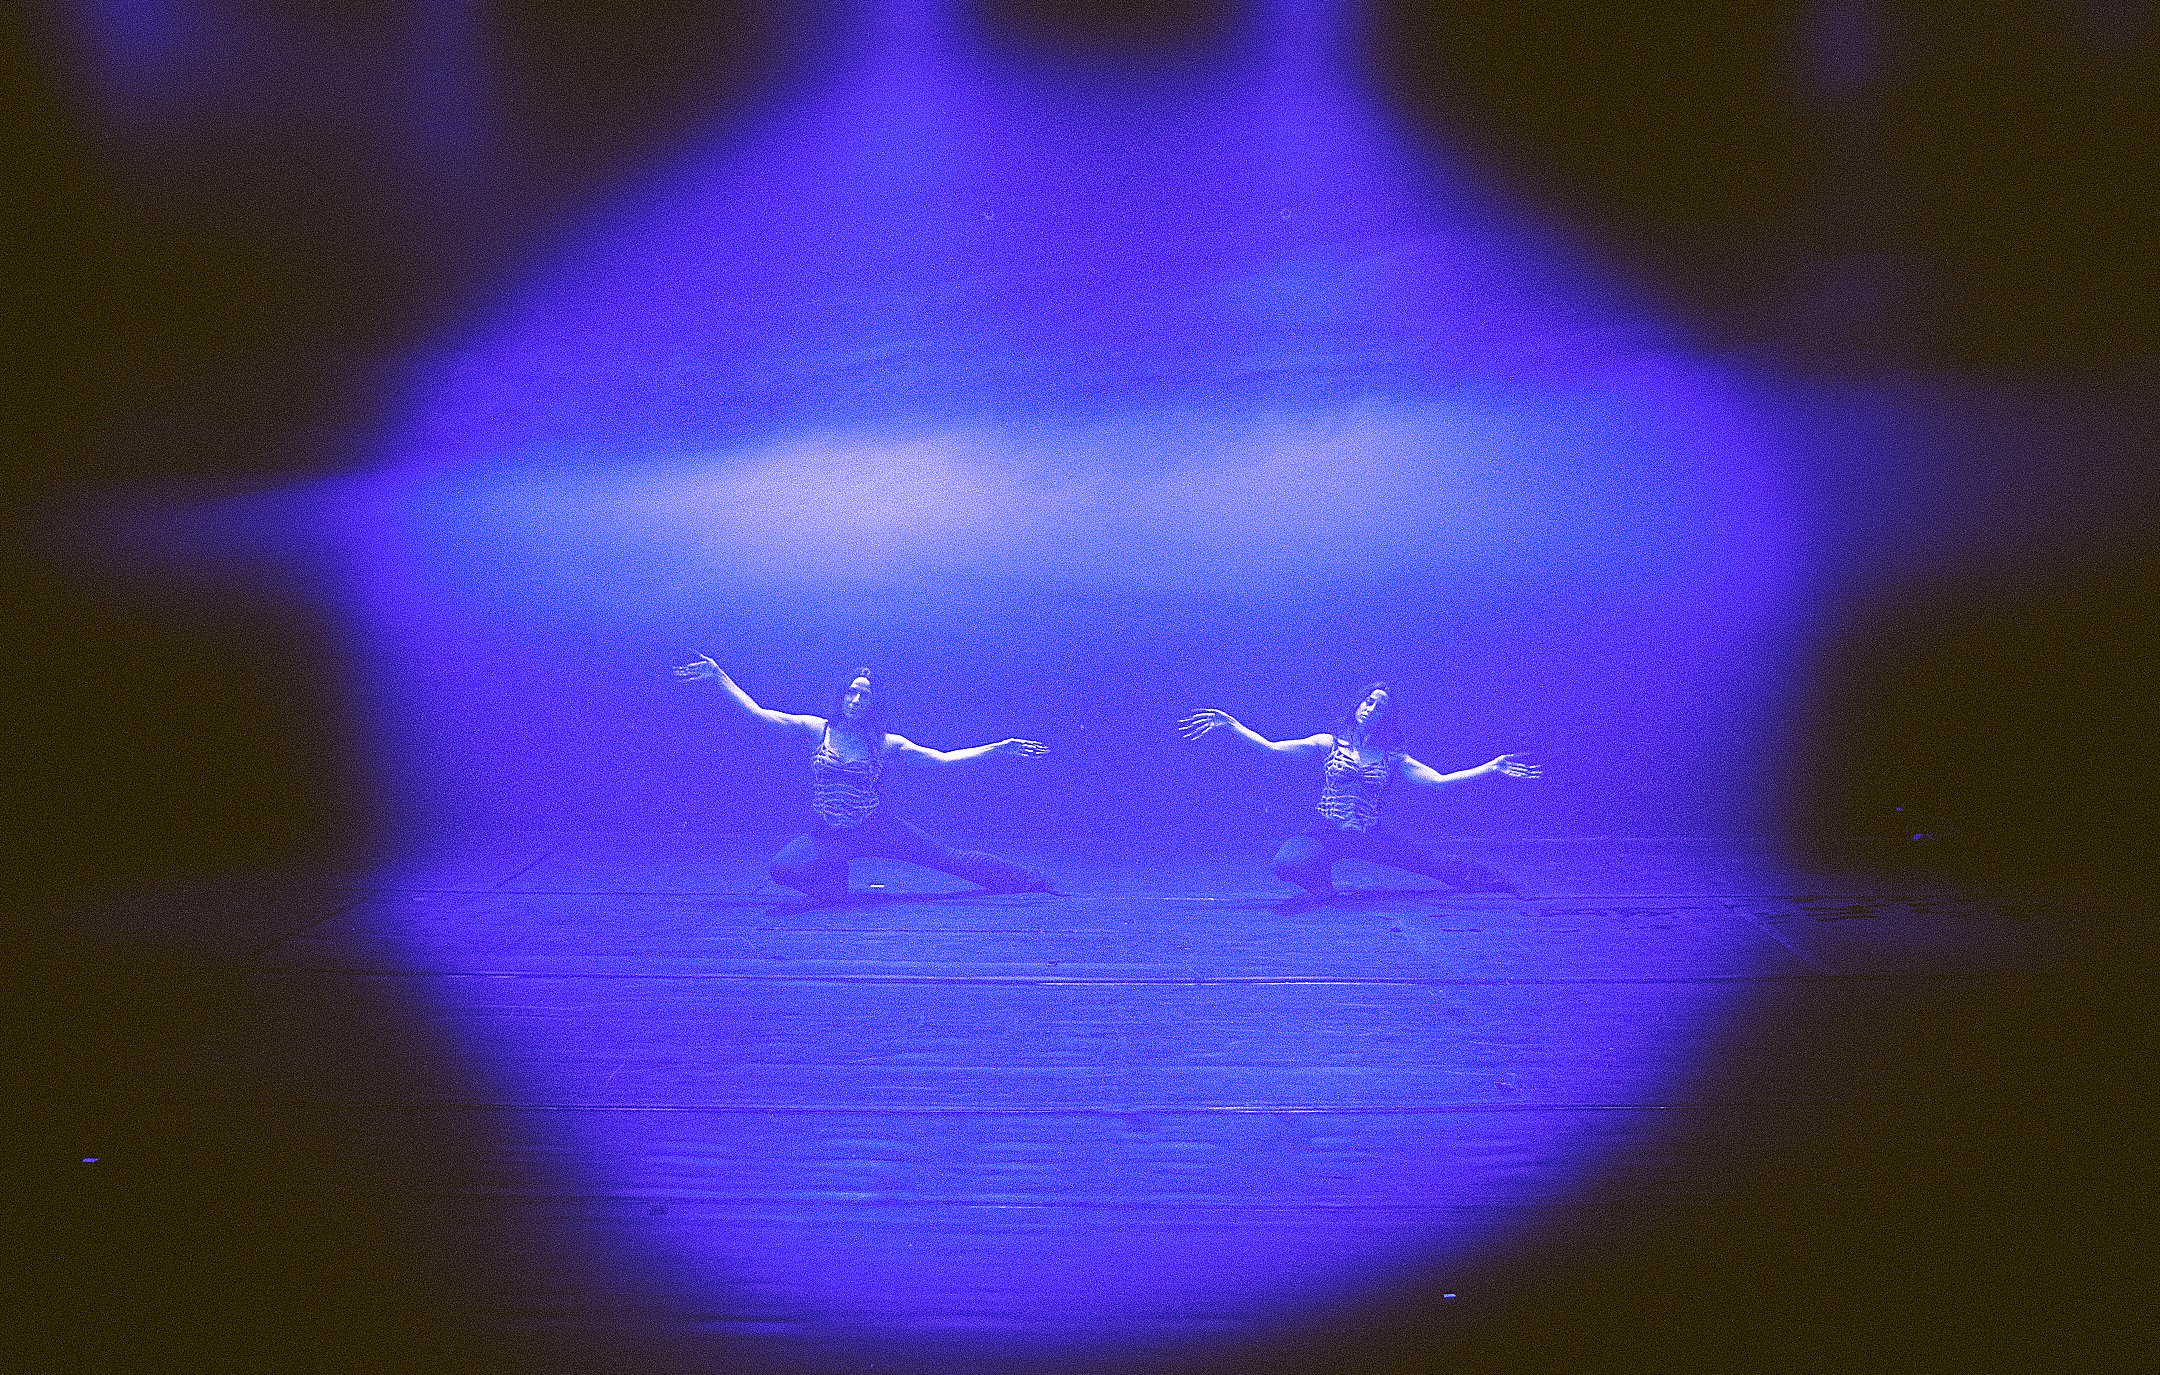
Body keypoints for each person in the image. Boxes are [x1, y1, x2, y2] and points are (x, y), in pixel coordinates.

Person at [676, 657, 1050, 900]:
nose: (855, 700)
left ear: (873, 704)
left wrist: (998, 749)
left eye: (864, 696)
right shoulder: (816, 728)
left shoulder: (887, 744)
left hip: (875, 827)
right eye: (850, 693)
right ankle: (833, 886)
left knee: (952, 860)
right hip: (828, 833)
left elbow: (943, 759)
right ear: (841, 697)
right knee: (783, 869)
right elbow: (758, 713)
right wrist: (719, 677)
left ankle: (1031, 880)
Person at [1179, 683, 1539, 900]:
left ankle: (1502, 884)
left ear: (1387, 717)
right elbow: (1273, 748)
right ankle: (1323, 888)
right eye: (1368, 702)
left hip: (1371, 834)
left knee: (1440, 865)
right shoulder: (1326, 742)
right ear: (1357, 705)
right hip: (1325, 831)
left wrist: (1491, 768)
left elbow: (1439, 781)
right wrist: (1232, 725)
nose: (1372, 709)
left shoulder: (1393, 757)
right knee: (1287, 864)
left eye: (1380, 707)